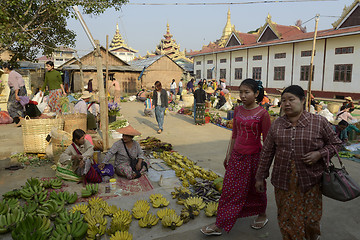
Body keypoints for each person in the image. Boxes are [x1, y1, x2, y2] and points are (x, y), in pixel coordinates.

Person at [255, 85, 342, 240]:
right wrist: (260, 176)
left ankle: (312, 236)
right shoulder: (277, 125)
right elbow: (267, 153)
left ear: (302, 100)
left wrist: (319, 154)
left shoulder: (318, 122)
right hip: (283, 181)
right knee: (286, 218)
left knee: (311, 219)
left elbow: (336, 144)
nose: (286, 103)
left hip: (311, 180)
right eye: (283, 100)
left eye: (291, 99)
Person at [201, 78, 271, 236]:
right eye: (241, 92)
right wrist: (229, 154)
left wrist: (264, 166)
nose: (243, 95)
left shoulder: (263, 114)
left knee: (257, 188)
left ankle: (262, 214)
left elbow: (267, 141)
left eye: (247, 92)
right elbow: (234, 135)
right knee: (229, 190)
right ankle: (220, 223)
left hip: (254, 158)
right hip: (237, 157)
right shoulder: (238, 110)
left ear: (257, 93)